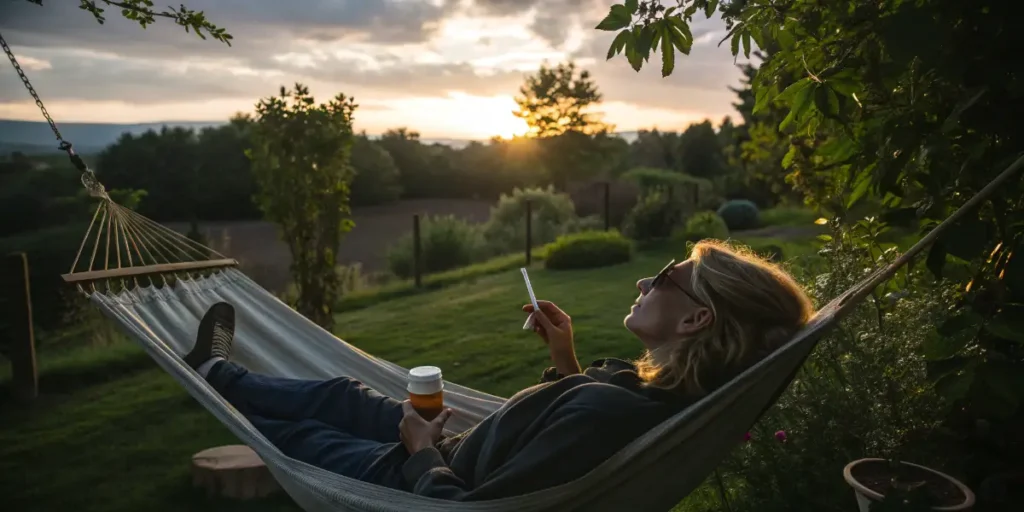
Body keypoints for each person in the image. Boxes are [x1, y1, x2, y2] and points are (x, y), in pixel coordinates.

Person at [181, 240, 814, 501]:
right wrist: (564, 359)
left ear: (695, 322)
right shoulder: (651, 396)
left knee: (299, 441)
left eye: (670, 277)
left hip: (415, 473)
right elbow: (571, 417)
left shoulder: (613, 411)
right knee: (343, 392)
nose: (648, 279)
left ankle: (217, 386)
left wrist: (420, 452)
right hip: (456, 442)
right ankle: (218, 373)